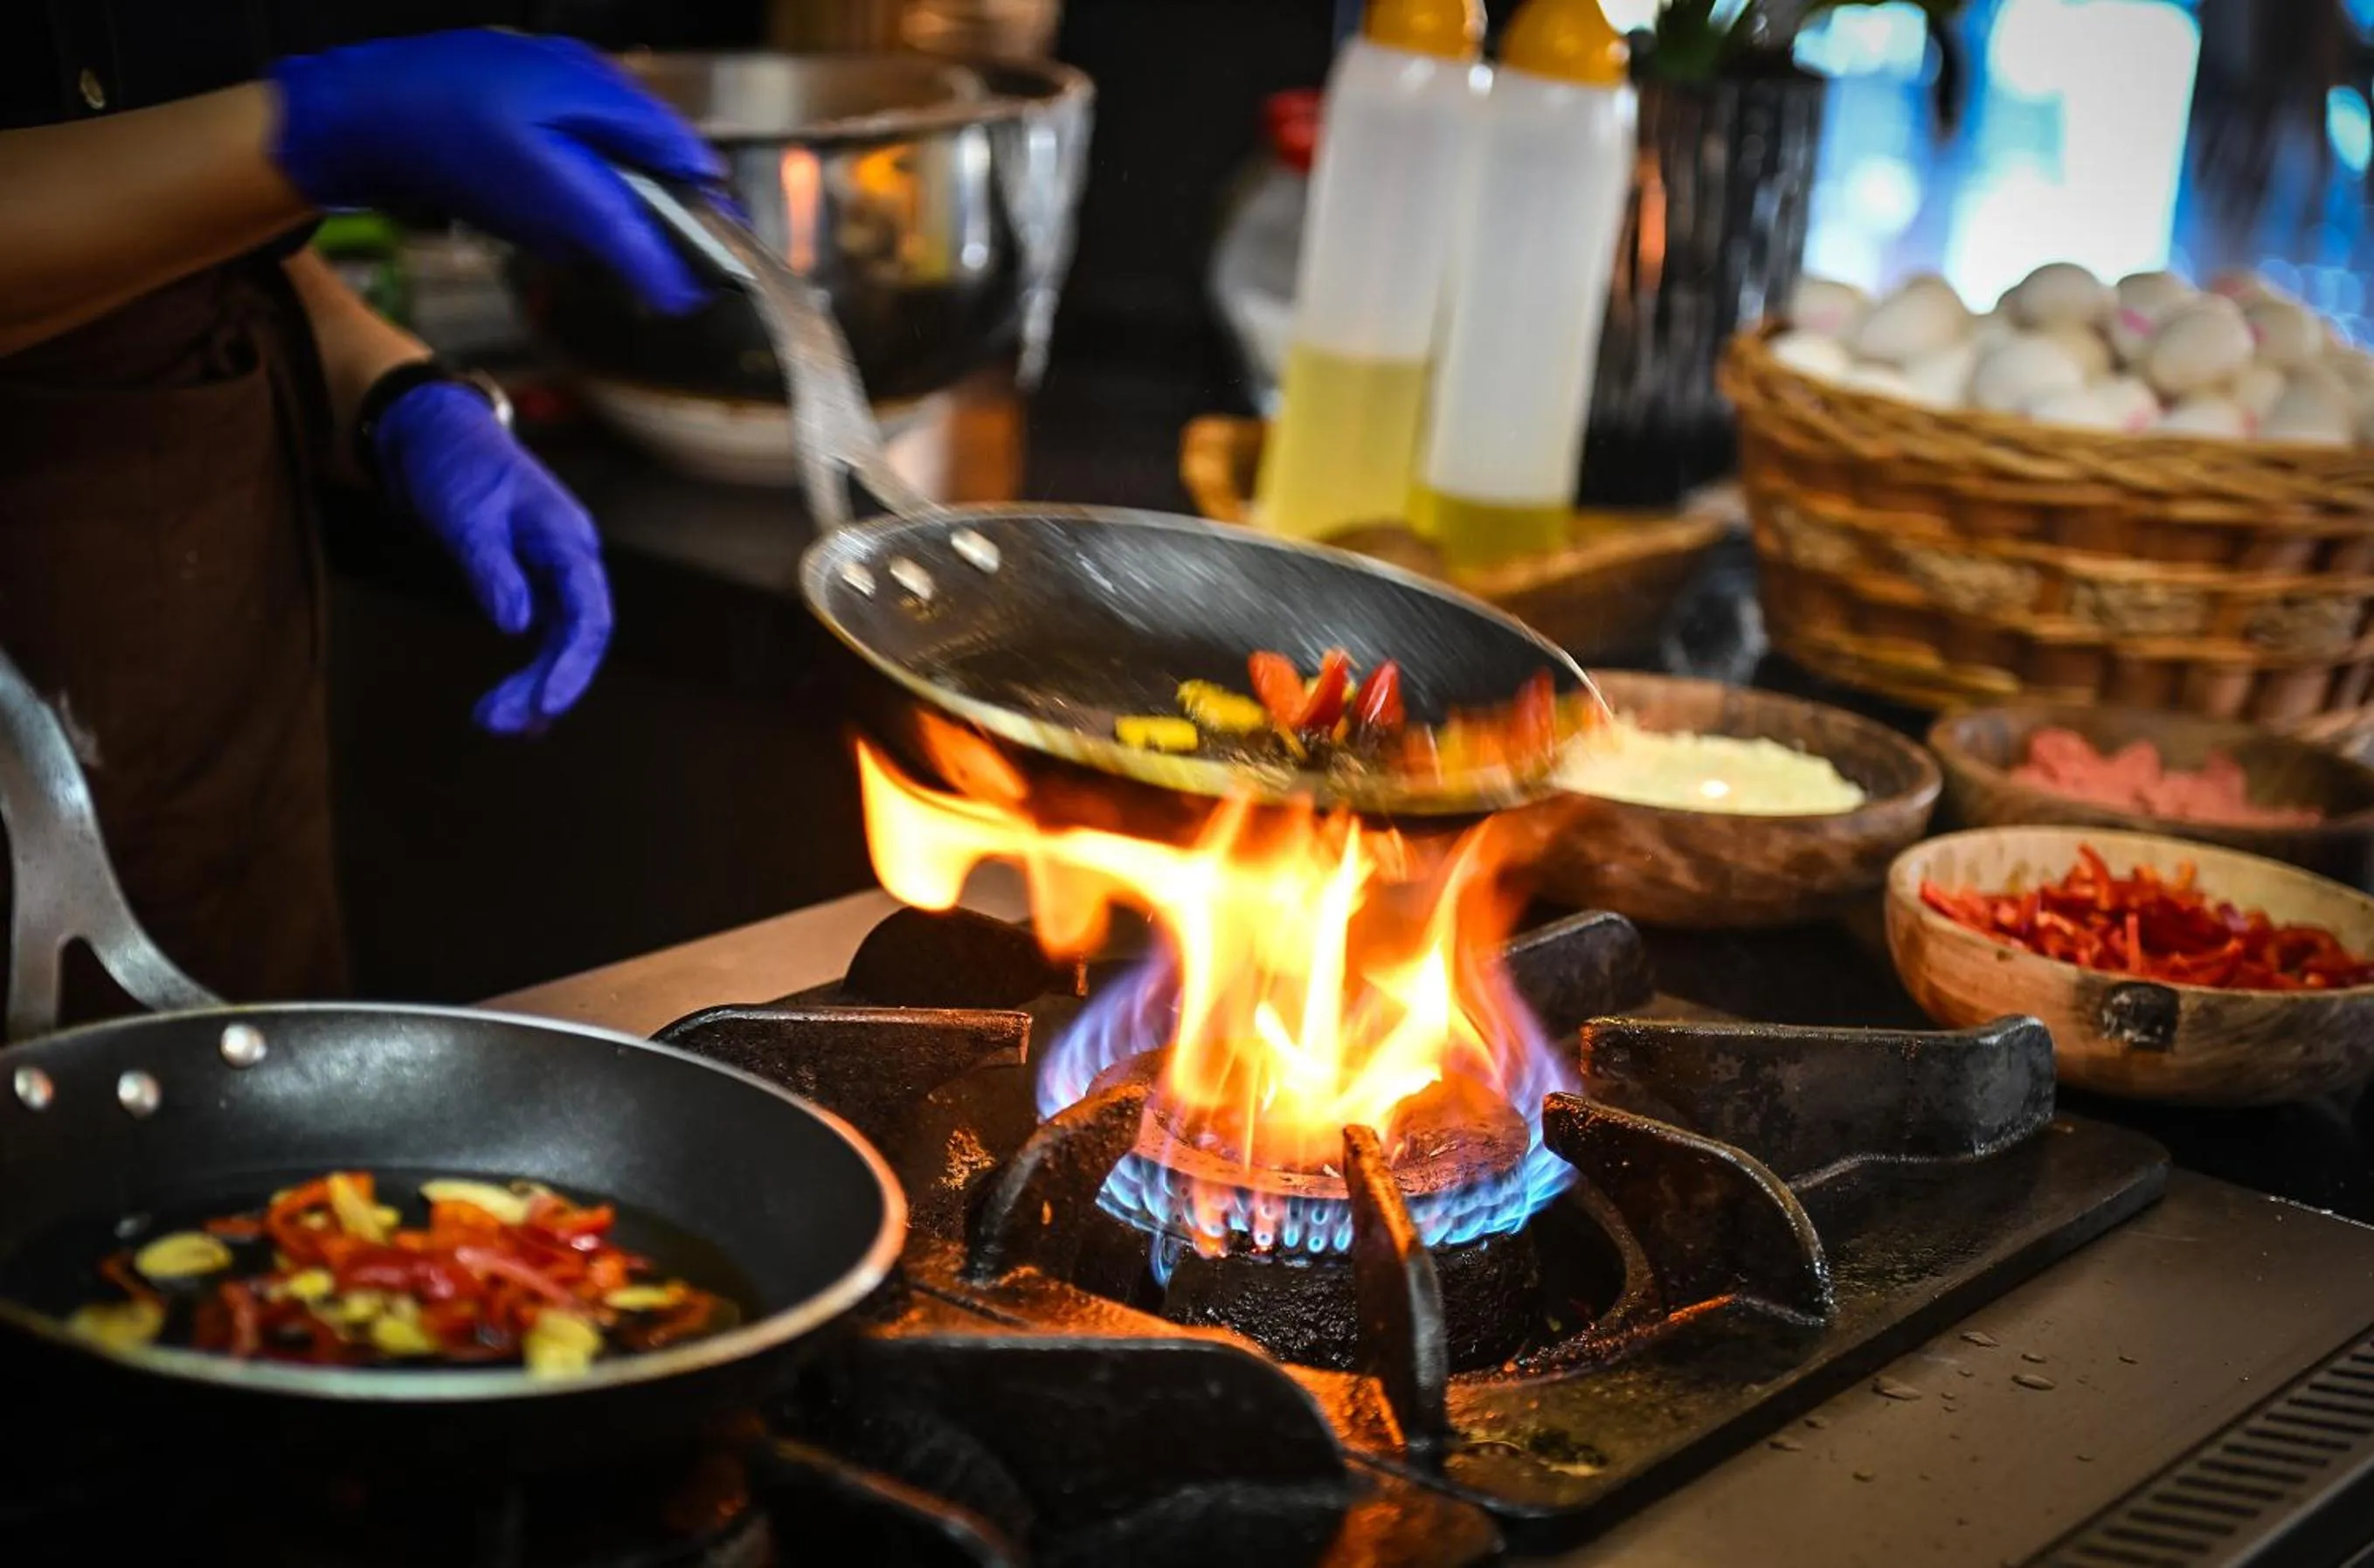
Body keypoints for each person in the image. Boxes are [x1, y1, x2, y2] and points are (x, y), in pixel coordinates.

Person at [0, 23, 722, 1006]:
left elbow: (200, 236)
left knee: (259, 1126)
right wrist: (330, 129)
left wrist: (391, 389)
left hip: (200, 646)